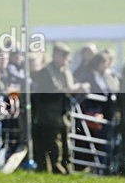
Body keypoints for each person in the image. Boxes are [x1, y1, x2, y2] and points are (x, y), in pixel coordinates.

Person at [31, 42, 89, 174]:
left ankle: (66, 168)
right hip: (48, 116)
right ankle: (56, 169)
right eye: (63, 56)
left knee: (66, 144)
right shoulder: (45, 72)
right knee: (54, 145)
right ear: (55, 55)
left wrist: (78, 89)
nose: (65, 59)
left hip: (64, 115)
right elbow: (45, 95)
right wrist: (67, 90)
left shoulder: (66, 71)